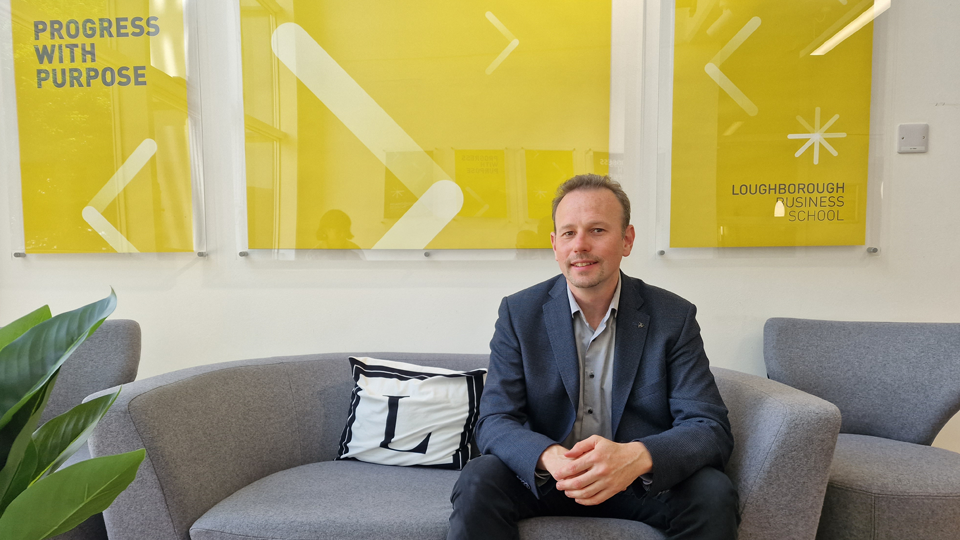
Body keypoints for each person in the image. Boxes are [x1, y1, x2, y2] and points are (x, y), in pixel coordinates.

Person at [448, 174, 739, 539]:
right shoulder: (519, 313)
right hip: (547, 479)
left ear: (627, 240)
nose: (580, 245)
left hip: (636, 482)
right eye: (568, 233)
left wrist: (635, 457)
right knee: (479, 478)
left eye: (597, 230)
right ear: (555, 245)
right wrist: (549, 457)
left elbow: (708, 427)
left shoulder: (673, 317)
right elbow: (495, 419)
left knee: (713, 491)